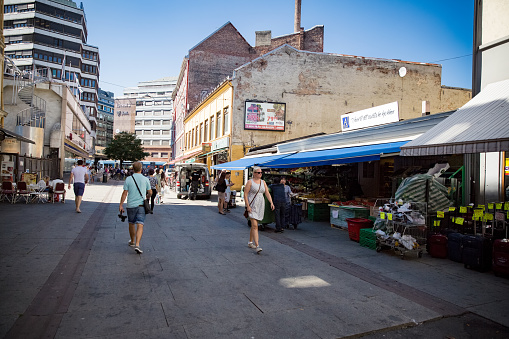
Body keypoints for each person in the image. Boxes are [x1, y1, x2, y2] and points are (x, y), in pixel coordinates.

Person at [119, 161, 151, 254]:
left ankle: (132, 241)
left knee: (131, 223)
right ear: (141, 169)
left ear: (133, 169)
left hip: (130, 205)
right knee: (140, 224)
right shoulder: (145, 179)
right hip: (141, 205)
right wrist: (148, 196)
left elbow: (125, 193)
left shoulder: (128, 179)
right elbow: (150, 192)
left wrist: (121, 205)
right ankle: (137, 244)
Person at [245, 167, 275, 253]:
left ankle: (250, 242)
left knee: (254, 225)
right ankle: (257, 245)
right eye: (258, 172)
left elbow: (267, 193)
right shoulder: (250, 182)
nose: (260, 174)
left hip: (260, 205)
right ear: (254, 173)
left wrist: (271, 202)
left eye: (261, 172)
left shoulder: (263, 182)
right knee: (255, 226)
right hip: (252, 205)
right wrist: (247, 206)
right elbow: (245, 195)